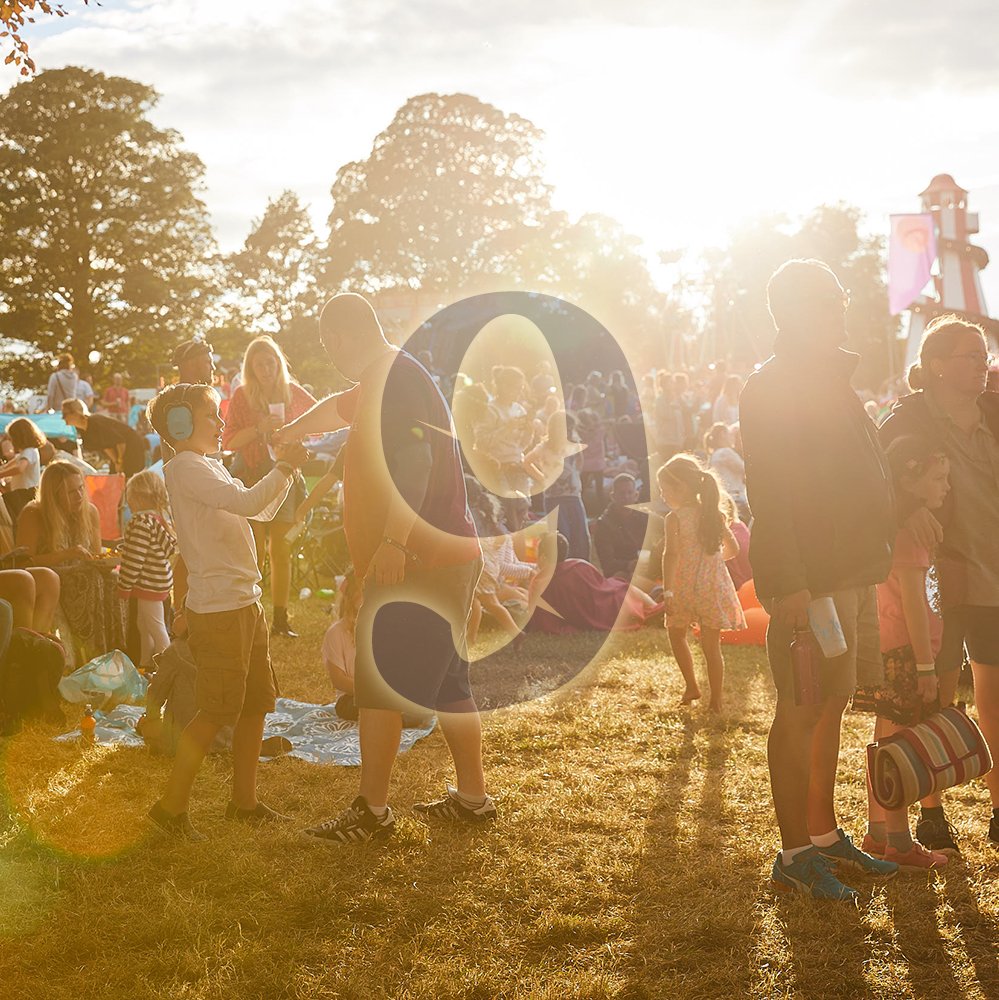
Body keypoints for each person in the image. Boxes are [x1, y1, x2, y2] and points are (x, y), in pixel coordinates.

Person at [274, 291, 493, 843]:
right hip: (444, 559)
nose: (331, 356)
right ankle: (472, 800)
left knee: (377, 688)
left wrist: (394, 541)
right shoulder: (387, 378)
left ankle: (371, 813)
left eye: (328, 345)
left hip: (416, 562)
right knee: (450, 685)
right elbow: (336, 407)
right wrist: (290, 432)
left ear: (339, 337)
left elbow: (415, 464)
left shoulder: (394, 381)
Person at [741, 258, 912, 900]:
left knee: (832, 703)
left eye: (840, 297)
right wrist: (789, 582)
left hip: (851, 572)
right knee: (801, 707)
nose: (841, 308)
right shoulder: (772, 385)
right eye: (827, 299)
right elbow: (771, 492)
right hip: (810, 580)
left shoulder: (831, 376)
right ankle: (793, 855)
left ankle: (822, 834)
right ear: (792, 310)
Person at [144, 382, 307, 840]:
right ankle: (170, 810)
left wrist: (286, 472)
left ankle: (244, 803)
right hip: (218, 611)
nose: (221, 423)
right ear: (180, 424)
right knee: (215, 711)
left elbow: (260, 511)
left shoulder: (209, 465)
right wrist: (284, 466)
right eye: (212, 415)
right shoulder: (185, 468)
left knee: (254, 705)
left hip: (244, 602)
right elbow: (248, 501)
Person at [880, 314, 999, 852]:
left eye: (984, 354)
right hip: (941, 578)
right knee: (936, 700)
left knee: (996, 699)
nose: (982, 364)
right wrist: (907, 509)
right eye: (970, 355)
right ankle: (931, 812)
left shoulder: (995, 411)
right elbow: (877, 481)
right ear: (935, 365)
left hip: (994, 573)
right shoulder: (906, 418)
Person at [852, 436, 950, 871]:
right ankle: (898, 840)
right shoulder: (910, 534)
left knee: (884, 742)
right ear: (911, 481)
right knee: (897, 748)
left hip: (885, 647)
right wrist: (926, 666)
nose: (947, 486)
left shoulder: (891, 526)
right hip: (905, 653)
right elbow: (913, 603)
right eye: (939, 478)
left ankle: (878, 831)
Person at [223, 336, 317, 638]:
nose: (266, 369)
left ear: (279, 363)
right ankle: (251, 614)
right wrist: (258, 429)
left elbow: (318, 421)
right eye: (259, 364)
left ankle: (280, 619)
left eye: (270, 362)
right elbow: (228, 441)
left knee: (281, 549)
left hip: (285, 474)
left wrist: (295, 433)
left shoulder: (292, 393)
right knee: (254, 549)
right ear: (250, 368)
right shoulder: (242, 396)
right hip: (252, 474)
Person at [658, 454, 744, 711]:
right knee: (711, 647)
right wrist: (713, 561)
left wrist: (668, 591)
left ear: (681, 488)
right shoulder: (712, 515)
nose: (662, 495)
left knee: (676, 633)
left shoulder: (674, 519)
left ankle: (692, 686)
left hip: (684, 586)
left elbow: (670, 555)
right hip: (712, 586)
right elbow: (734, 549)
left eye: (665, 489)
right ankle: (715, 700)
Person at [527, 532, 660, 635]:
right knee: (622, 587)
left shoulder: (540, 583)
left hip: (601, 615)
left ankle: (657, 607)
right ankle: (656, 606)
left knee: (622, 586)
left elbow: (542, 621)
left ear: (543, 557)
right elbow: (603, 587)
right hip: (613, 604)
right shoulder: (579, 565)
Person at [116, 470, 177, 670]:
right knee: (144, 625)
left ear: (139, 497)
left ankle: (169, 667)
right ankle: (146, 663)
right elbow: (167, 549)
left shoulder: (139, 522)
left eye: (130, 497)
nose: (128, 503)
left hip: (147, 584)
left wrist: (124, 585)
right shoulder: (157, 520)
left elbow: (134, 558)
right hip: (159, 581)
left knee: (155, 626)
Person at [525, 410, 590, 560]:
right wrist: (542, 478)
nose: (568, 432)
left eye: (570, 429)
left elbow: (579, 460)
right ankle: (563, 563)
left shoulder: (572, 445)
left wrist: (576, 475)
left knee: (580, 534)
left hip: (573, 496)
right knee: (562, 533)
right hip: (554, 498)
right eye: (565, 429)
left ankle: (581, 563)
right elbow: (527, 461)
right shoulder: (544, 448)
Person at [16, 461, 101, 567]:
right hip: (47, 575)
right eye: (71, 492)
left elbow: (97, 557)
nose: (79, 496)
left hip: (87, 573)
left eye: (81, 488)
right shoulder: (33, 514)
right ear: (53, 495)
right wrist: (65, 555)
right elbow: (22, 563)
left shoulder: (90, 512)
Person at [61, 398, 146, 477]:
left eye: (65, 414)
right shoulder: (82, 429)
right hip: (118, 452)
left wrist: (119, 461)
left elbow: (120, 441)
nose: (63, 418)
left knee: (126, 476)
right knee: (115, 476)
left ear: (75, 412)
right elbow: (106, 445)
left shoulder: (95, 422)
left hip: (131, 447)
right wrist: (115, 461)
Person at [591, 473, 646, 580]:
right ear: (613, 497)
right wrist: (629, 565)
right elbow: (607, 563)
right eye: (622, 493)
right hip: (620, 573)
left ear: (636, 495)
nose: (626, 497)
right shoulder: (604, 524)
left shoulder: (645, 517)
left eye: (630, 492)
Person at [0, 417, 46, 525]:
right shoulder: (25, 453)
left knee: (22, 518)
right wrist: (3, 468)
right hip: (23, 491)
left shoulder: (29, 451)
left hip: (26, 492)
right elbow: (11, 464)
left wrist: (1, 474)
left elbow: (19, 468)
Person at [704, 422, 750, 524]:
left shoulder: (715, 454)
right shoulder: (726, 452)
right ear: (722, 434)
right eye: (730, 434)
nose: (733, 438)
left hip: (726, 497)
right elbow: (746, 470)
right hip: (736, 498)